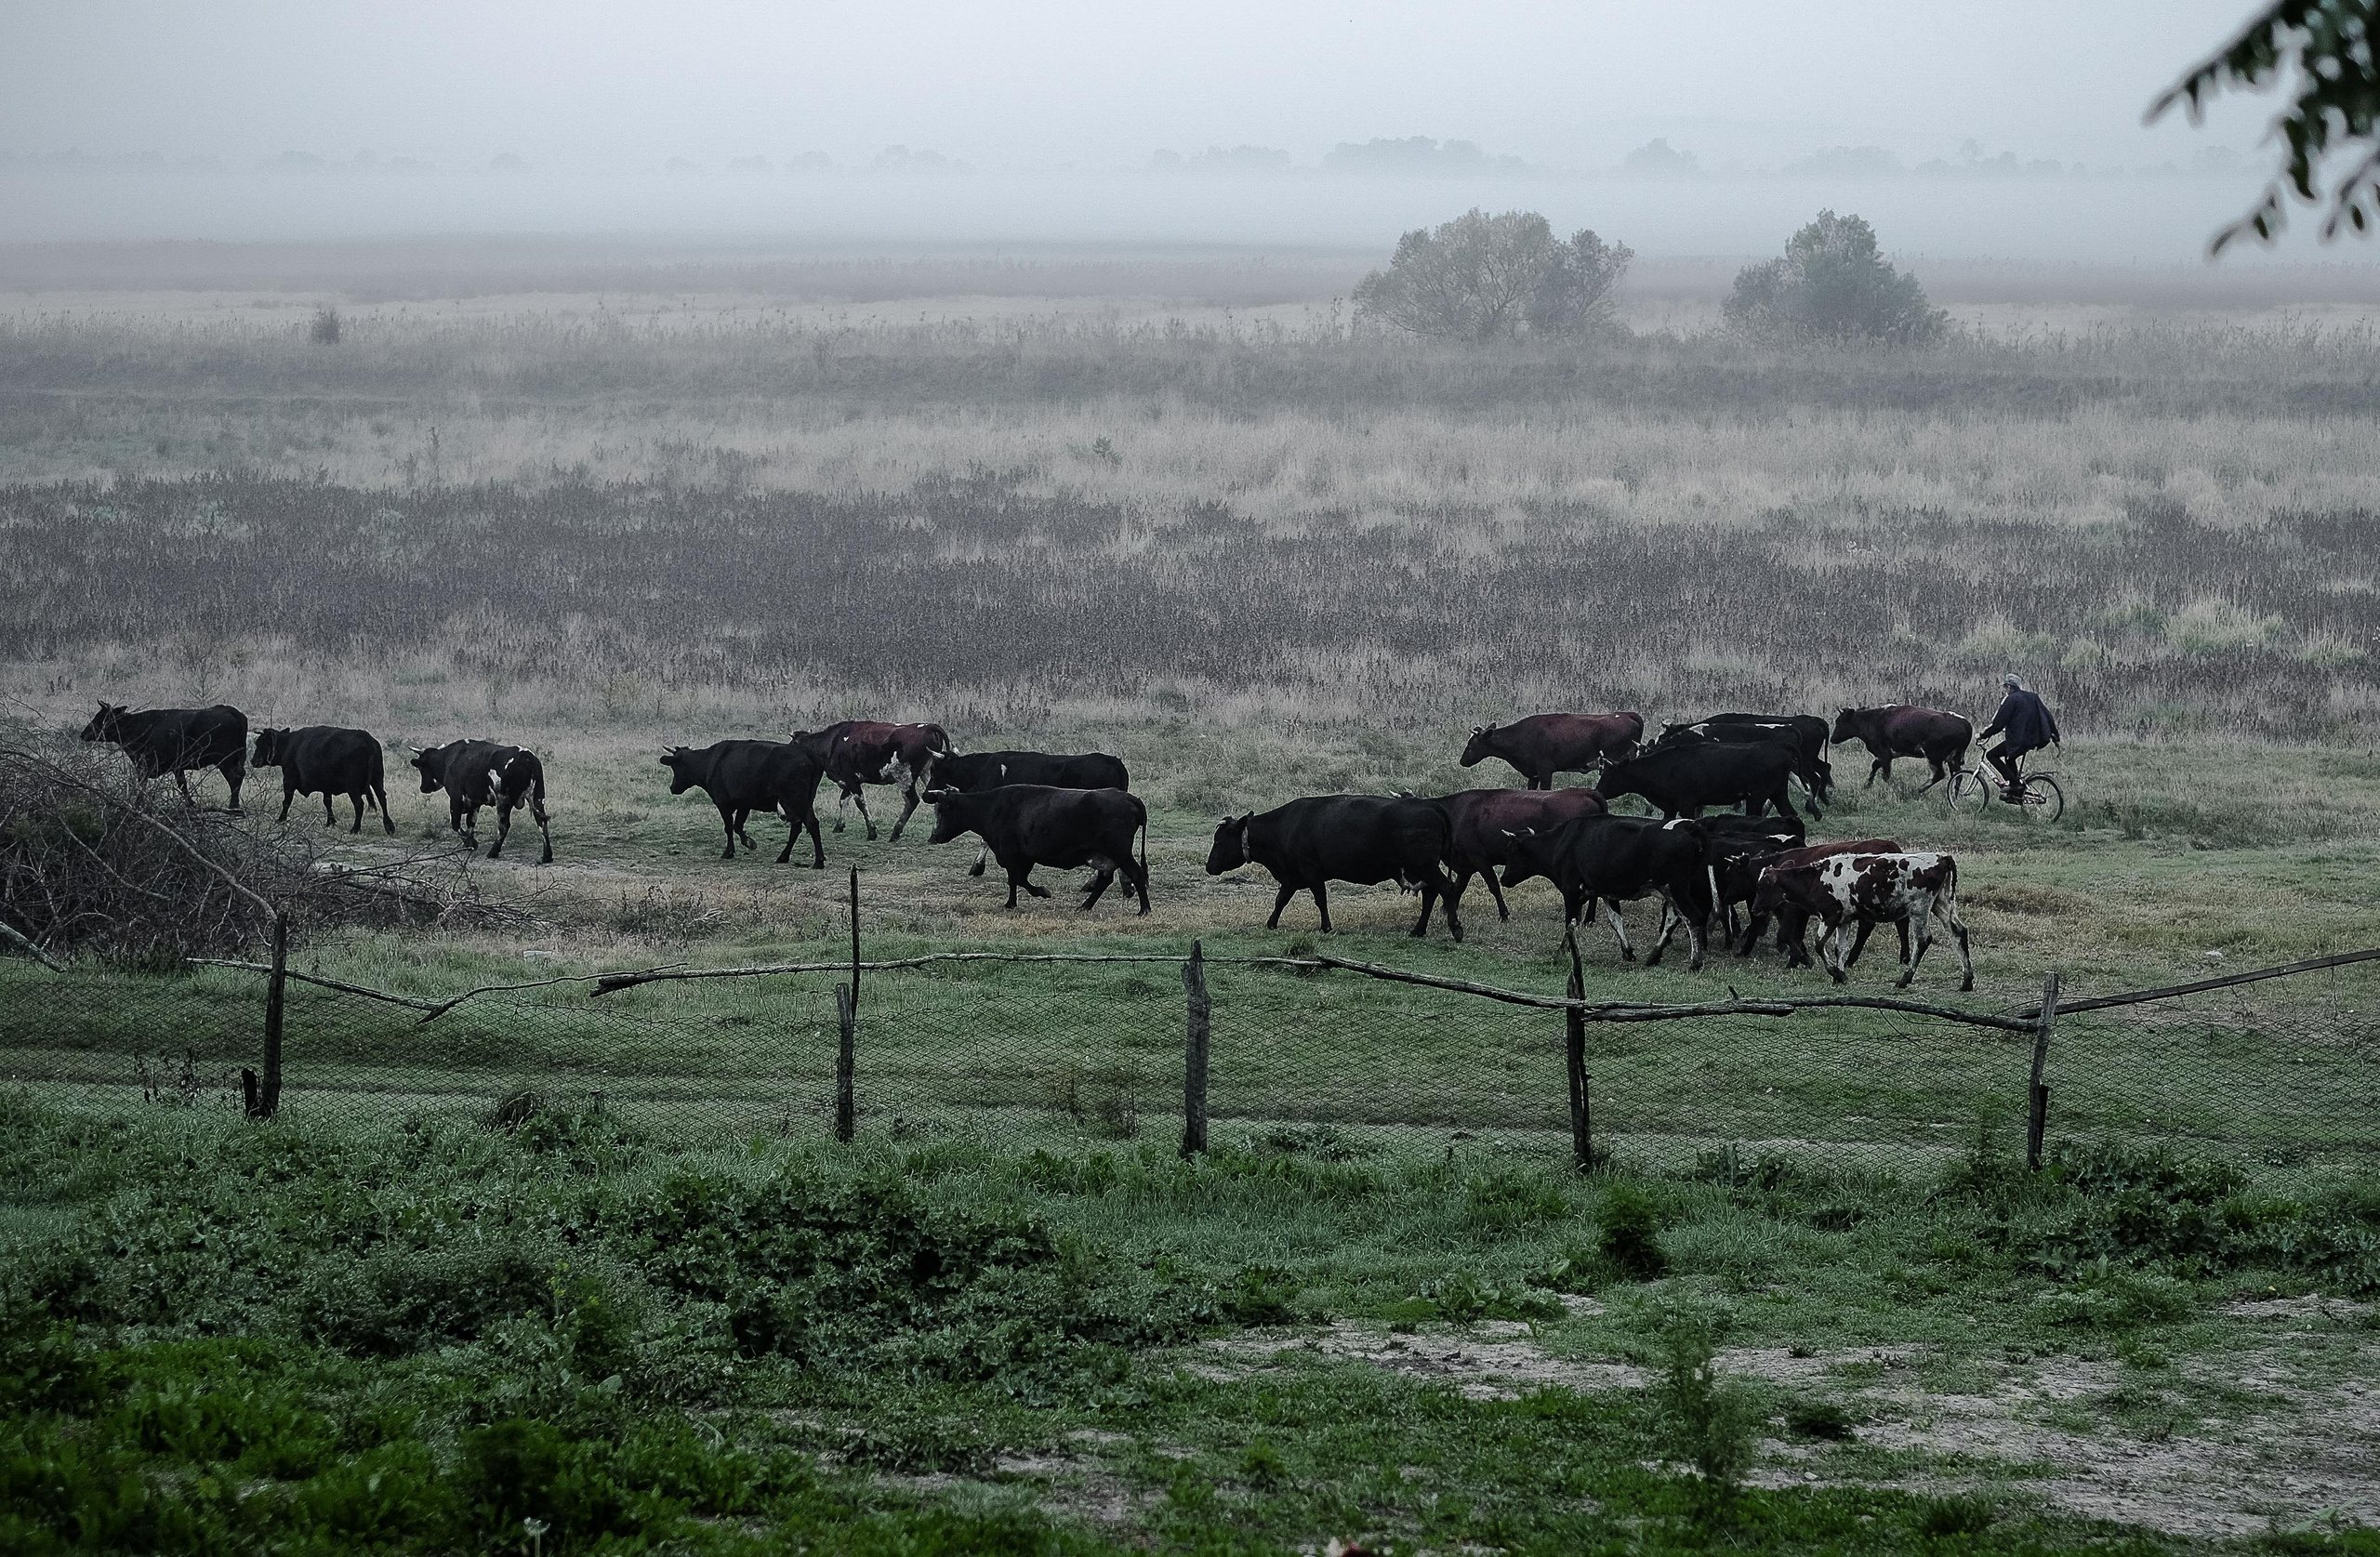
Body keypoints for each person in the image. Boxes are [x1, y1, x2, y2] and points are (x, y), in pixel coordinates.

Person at [1980, 673, 2059, 799]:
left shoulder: (2011, 699)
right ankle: (2015, 793)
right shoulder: (2033, 697)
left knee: (1991, 755)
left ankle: (2015, 784)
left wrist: (1983, 735)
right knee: (2010, 758)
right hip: (2034, 740)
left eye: (2005, 687)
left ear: (2009, 687)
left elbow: (1998, 724)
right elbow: (2047, 715)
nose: (2005, 690)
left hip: (2019, 740)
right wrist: (2055, 735)